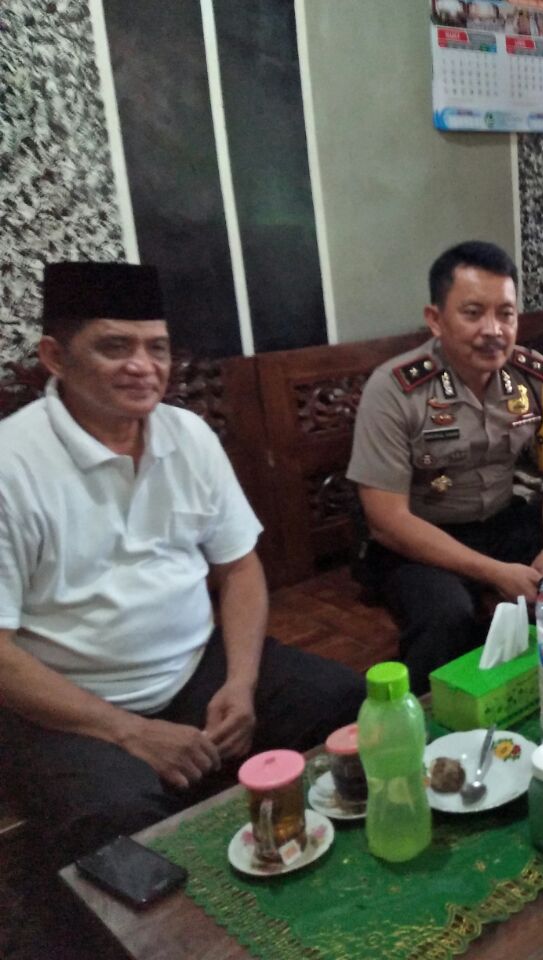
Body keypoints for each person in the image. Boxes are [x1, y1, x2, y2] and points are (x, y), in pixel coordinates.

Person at [0, 262, 365, 863]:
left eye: (158, 347)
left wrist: (241, 683)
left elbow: (240, 568)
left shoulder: (188, 435)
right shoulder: (12, 465)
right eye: (115, 347)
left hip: (196, 665)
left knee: (344, 703)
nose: (144, 366)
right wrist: (128, 731)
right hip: (73, 703)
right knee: (120, 821)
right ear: (55, 357)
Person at [348, 241, 543, 690]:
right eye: (473, 313)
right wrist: (495, 572)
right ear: (435, 319)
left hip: (502, 520)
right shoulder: (395, 390)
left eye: (506, 314)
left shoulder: (535, 377)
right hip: (419, 540)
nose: (493, 330)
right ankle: (434, 719)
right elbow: (387, 520)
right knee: (446, 619)